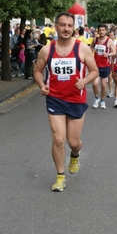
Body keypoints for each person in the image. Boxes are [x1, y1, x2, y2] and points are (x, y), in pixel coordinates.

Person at [33, 12, 98, 192]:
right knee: (58, 139)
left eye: (69, 26)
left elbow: (94, 71)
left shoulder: (82, 48)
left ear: (74, 28)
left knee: (73, 141)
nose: (66, 29)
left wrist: (84, 81)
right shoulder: (47, 50)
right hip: (55, 99)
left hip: (76, 100)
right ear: (56, 26)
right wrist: (41, 85)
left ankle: (75, 154)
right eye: (62, 25)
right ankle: (60, 177)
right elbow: (37, 71)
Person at [90, 23, 116, 109]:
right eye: (100, 30)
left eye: (103, 30)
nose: (101, 32)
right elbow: (91, 48)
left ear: (106, 31)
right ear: (98, 31)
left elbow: (115, 52)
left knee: (104, 85)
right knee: (94, 83)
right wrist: (90, 55)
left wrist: (108, 54)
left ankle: (102, 100)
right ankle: (96, 97)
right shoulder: (95, 39)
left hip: (105, 66)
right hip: (95, 66)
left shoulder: (109, 41)